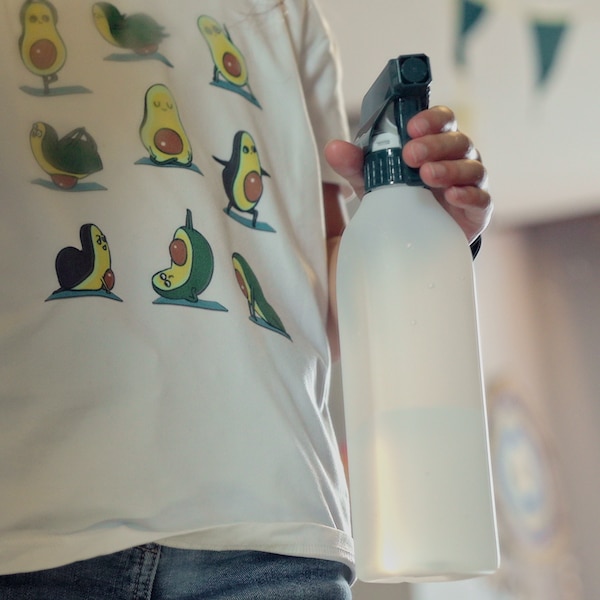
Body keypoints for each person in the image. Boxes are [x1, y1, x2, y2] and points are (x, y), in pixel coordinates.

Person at [0, 0, 491, 597]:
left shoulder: (282, 12)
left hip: (273, 523)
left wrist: (416, 233)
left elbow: (310, 307)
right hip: (30, 528)